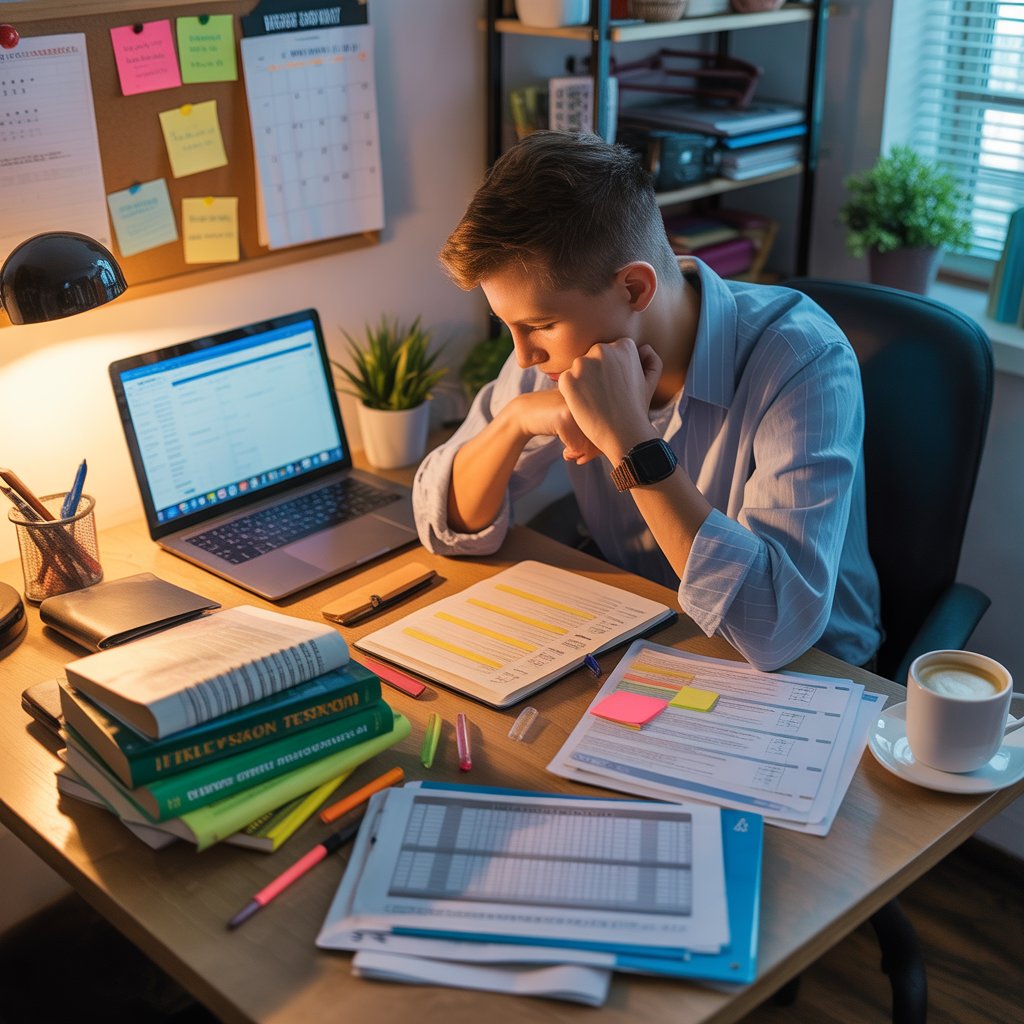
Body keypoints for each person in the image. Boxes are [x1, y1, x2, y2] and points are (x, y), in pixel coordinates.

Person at [413, 131, 881, 671]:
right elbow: (444, 524)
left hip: (817, 673)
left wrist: (631, 438)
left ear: (634, 289)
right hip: (651, 635)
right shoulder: (558, 353)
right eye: (508, 327)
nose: (522, 358)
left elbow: (776, 627)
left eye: (539, 325)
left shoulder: (802, 359)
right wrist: (515, 421)